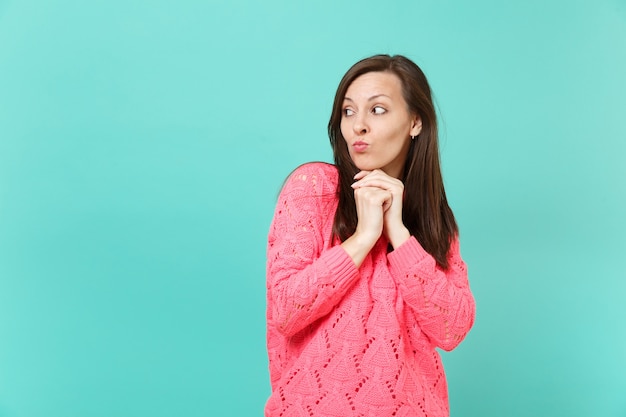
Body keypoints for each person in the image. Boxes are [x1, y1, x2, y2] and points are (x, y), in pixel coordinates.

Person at [265, 54, 475, 417]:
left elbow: (451, 329)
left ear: (415, 122)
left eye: (377, 110)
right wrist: (363, 238)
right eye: (348, 111)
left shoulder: (434, 221)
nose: (357, 126)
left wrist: (400, 235)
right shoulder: (314, 188)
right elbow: (286, 309)